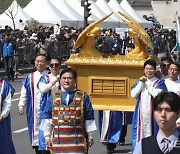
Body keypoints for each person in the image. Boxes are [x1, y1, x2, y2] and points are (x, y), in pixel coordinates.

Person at [39, 68, 97, 153]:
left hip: (78, 141)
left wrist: (90, 136)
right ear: (60, 80)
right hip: (58, 141)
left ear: (75, 80)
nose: (66, 81)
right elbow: (47, 118)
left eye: (69, 78)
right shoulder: (53, 97)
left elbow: (89, 117)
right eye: (64, 78)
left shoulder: (83, 97)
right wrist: (47, 136)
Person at [131, 59, 167, 151]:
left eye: (151, 69)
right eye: (147, 69)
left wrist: (146, 84)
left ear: (155, 70)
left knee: (152, 135)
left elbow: (157, 95)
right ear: (144, 70)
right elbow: (133, 94)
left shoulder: (159, 83)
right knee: (140, 135)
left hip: (154, 114)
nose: (149, 71)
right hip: (141, 114)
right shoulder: (140, 82)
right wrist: (141, 84)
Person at [18, 54, 49, 154]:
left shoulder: (49, 76)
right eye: (37, 61)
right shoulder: (30, 77)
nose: (39, 63)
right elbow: (24, 92)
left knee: (47, 131)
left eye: (42, 61)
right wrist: (21, 105)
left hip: (47, 109)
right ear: (35, 63)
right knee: (35, 130)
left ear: (46, 63)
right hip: (33, 109)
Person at [37, 57, 61, 150]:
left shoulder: (64, 78)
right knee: (45, 137)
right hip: (46, 110)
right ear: (49, 67)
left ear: (60, 66)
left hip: (60, 111)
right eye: (52, 65)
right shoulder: (44, 78)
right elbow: (43, 89)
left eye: (56, 65)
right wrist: (54, 81)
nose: (54, 67)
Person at [0, 78, 16, 154]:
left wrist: (2, 115)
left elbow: (7, 103)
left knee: (4, 146)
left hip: (1, 123)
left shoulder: (3, 85)